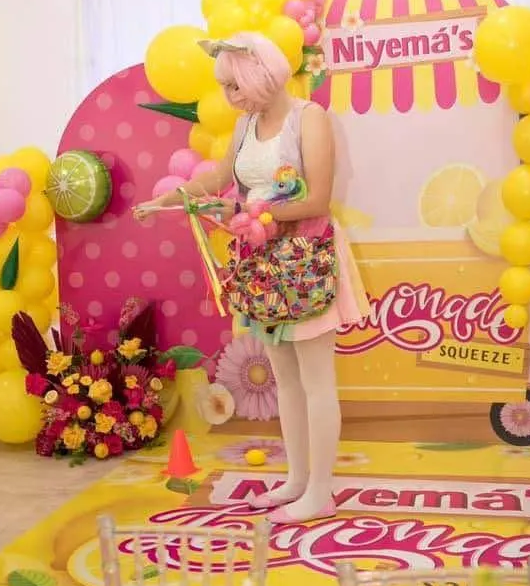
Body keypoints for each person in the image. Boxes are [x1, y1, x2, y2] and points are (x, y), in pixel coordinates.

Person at [134, 32, 369, 523]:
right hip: (262, 266)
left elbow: (317, 200)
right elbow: (219, 179)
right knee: (286, 379)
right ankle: (298, 480)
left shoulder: (310, 118)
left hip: (306, 262)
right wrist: (167, 200)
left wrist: (251, 211)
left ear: (261, 75)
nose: (229, 97)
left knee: (317, 380)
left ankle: (320, 491)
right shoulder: (245, 126)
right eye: (225, 87)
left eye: (234, 85)